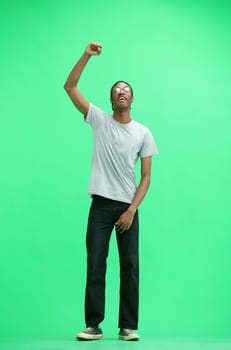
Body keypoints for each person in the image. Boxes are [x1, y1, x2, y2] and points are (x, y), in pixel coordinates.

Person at [64, 42, 158, 341]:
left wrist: (131, 209)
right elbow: (70, 86)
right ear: (110, 98)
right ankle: (94, 325)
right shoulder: (99, 121)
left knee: (130, 266)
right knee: (96, 262)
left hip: (128, 206)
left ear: (132, 98)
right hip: (101, 206)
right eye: (117, 89)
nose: (121, 91)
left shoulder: (143, 132)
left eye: (126, 89)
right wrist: (86, 56)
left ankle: (128, 326)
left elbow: (145, 178)